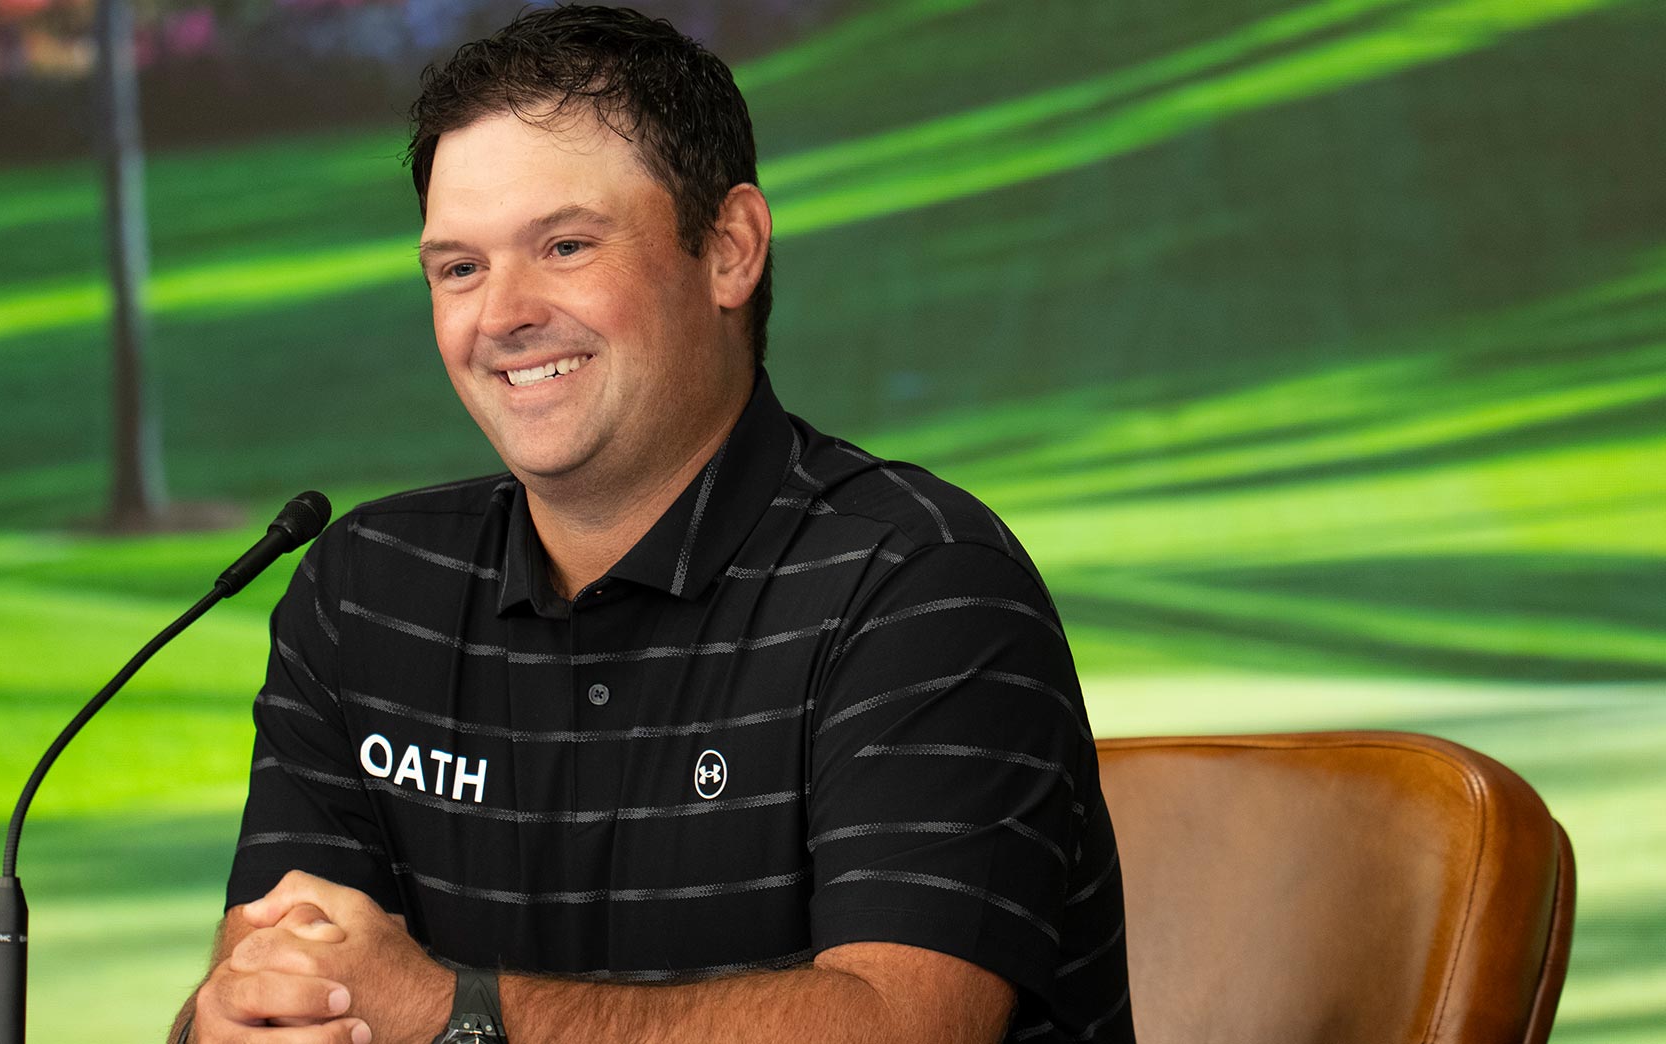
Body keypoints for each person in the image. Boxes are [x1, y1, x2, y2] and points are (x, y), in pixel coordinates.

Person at [170, 7, 1133, 1043]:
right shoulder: (363, 588)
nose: (500, 315)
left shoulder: (921, 583)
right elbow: (269, 971)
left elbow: (900, 1026)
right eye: (457, 268)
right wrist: (235, 1021)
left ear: (728, 251)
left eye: (565, 245)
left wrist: (448, 1011)